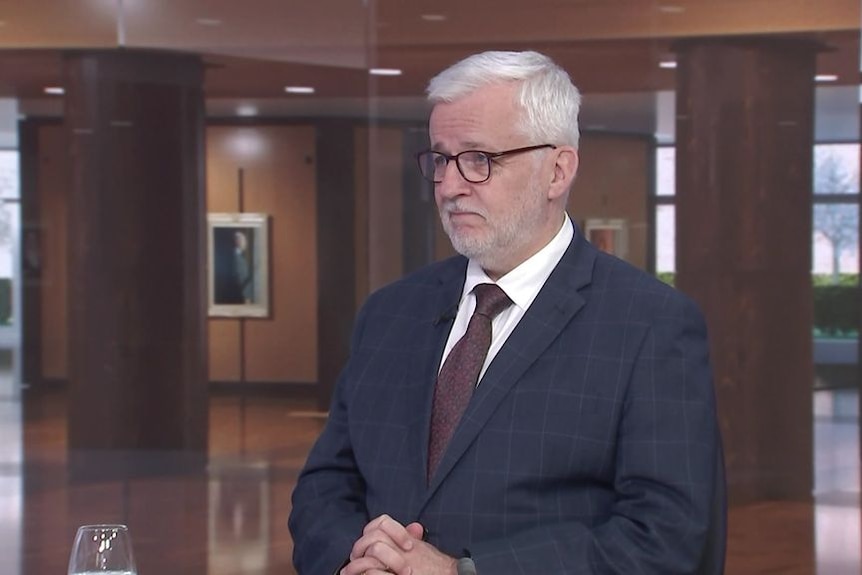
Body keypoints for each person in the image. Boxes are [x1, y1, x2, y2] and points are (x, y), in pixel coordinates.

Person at [289, 50, 724, 575]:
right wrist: (356, 559)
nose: (450, 186)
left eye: (480, 159)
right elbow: (325, 485)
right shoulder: (389, 313)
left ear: (557, 170)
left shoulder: (649, 325)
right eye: (441, 159)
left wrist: (462, 573)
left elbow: (665, 538)